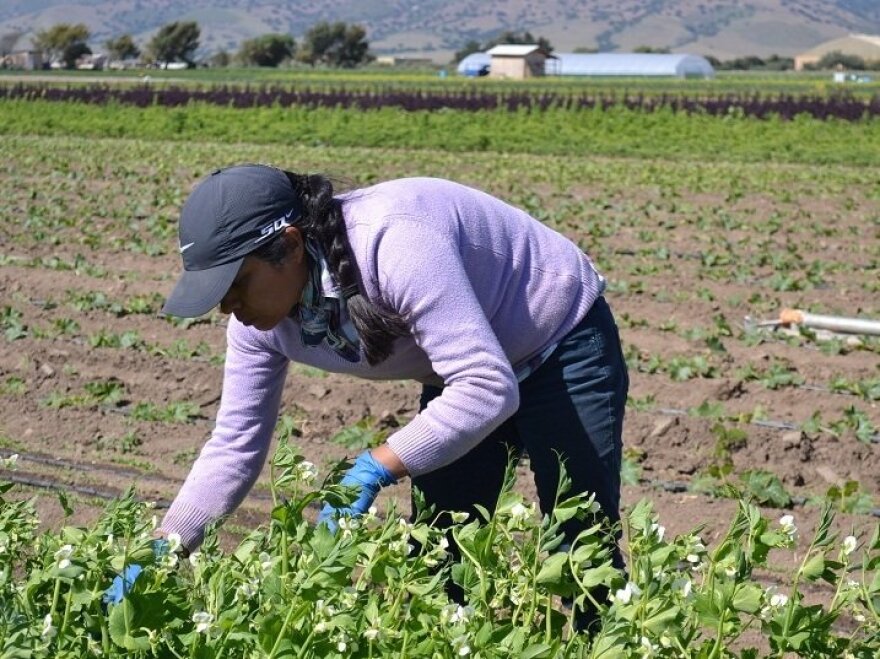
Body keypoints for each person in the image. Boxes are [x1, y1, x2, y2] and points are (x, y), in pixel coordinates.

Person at [110, 164, 628, 617]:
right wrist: (167, 544)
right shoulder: (256, 326)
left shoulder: (394, 240)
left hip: (558, 338)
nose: (227, 306)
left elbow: (486, 386)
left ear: (290, 246)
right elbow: (234, 447)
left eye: (236, 283)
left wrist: (375, 465)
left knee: (581, 547)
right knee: (440, 553)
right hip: (461, 371)